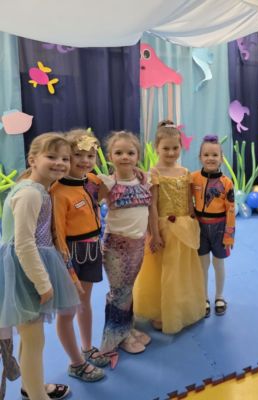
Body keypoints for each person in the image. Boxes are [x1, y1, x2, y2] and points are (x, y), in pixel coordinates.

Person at [0, 133, 81, 400]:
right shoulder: (30, 194)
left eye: (65, 158)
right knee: (34, 340)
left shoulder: (37, 189)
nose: (60, 163)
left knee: (31, 338)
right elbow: (23, 244)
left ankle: (30, 387)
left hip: (30, 266)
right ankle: (37, 395)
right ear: (32, 159)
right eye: (51, 156)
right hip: (25, 272)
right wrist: (42, 283)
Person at [133, 120, 205, 334]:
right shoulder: (154, 173)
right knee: (166, 272)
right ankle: (164, 312)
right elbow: (152, 206)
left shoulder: (185, 172)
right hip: (164, 229)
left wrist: (193, 222)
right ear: (157, 148)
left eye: (175, 148)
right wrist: (154, 234)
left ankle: (182, 310)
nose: (171, 152)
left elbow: (189, 202)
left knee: (182, 270)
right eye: (166, 148)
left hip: (184, 229)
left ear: (181, 147)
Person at [50, 129, 107, 382]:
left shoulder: (92, 180)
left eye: (90, 155)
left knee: (85, 303)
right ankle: (75, 363)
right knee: (68, 311)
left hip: (92, 249)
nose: (85, 160)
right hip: (71, 254)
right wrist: (67, 267)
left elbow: (110, 188)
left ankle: (87, 347)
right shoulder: (58, 191)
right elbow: (58, 234)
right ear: (67, 156)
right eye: (78, 155)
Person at [98, 131, 152, 356]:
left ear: (137, 155)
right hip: (116, 246)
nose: (125, 157)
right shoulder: (108, 183)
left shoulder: (143, 179)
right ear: (110, 156)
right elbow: (89, 204)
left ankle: (126, 329)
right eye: (118, 152)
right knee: (119, 292)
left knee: (127, 290)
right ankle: (115, 338)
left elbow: (149, 209)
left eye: (130, 152)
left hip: (138, 244)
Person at [191, 135, 235, 317]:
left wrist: (229, 235)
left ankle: (219, 296)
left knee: (218, 263)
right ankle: (203, 298)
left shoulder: (226, 183)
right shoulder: (193, 178)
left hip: (220, 228)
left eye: (215, 155)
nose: (210, 158)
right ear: (200, 157)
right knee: (203, 265)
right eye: (206, 154)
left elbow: (231, 210)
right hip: (200, 227)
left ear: (221, 158)